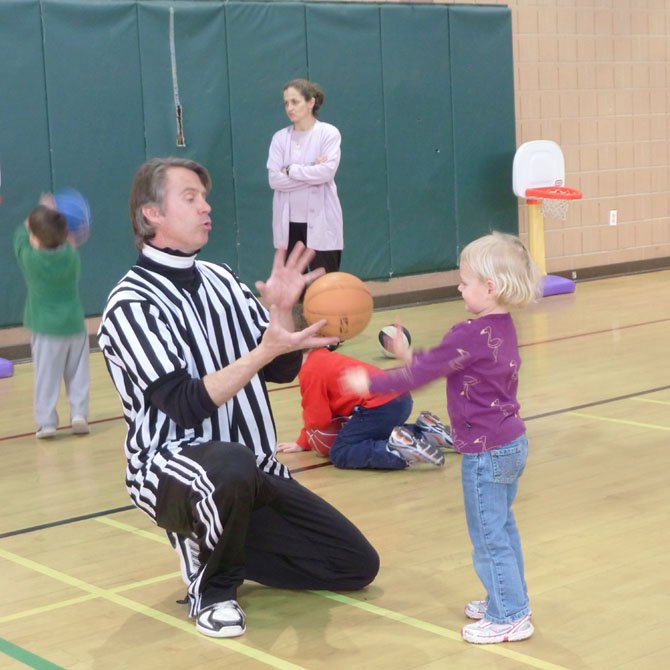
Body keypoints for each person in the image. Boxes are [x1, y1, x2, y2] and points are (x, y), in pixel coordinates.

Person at [97, 157, 379, 640]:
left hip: (251, 471)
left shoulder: (222, 279)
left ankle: (216, 539)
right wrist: (264, 349)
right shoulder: (129, 305)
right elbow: (185, 404)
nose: (206, 207)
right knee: (227, 462)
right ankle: (213, 589)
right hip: (168, 467)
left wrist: (284, 313)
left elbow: (281, 366)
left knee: (353, 564)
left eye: (205, 197)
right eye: (190, 198)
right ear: (152, 215)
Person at [343, 232, 541, 645]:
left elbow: (425, 373)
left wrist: (371, 379)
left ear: (491, 287)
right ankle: (508, 598)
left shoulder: (469, 332)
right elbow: (443, 364)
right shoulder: (502, 327)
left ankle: (510, 616)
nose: (459, 287)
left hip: (486, 453)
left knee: (488, 535)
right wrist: (405, 355)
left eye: (465, 281)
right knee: (503, 528)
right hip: (512, 443)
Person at [277, 346, 451, 468]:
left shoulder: (309, 371)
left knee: (340, 451)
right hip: (400, 399)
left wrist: (305, 442)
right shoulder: (323, 355)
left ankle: (395, 451)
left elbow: (318, 418)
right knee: (373, 434)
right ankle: (425, 432)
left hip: (381, 407)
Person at [13, 199, 90, 439]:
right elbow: (67, 242)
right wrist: (55, 215)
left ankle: (46, 423)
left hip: (47, 332)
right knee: (78, 374)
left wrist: (31, 220)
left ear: (34, 238)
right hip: (76, 327)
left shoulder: (30, 261)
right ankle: (79, 415)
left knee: (47, 377)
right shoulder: (71, 258)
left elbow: (20, 239)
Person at [267, 78, 343, 275]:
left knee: (325, 285)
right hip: (290, 226)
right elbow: (274, 180)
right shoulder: (279, 138)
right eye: (286, 103)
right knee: (293, 287)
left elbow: (326, 173)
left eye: (295, 102)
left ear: (310, 103)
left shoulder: (328, 133)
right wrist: (311, 171)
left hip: (322, 222)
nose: (289, 108)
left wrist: (291, 170)